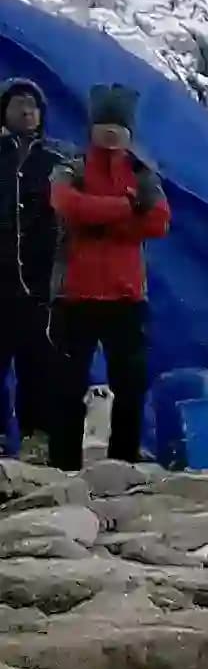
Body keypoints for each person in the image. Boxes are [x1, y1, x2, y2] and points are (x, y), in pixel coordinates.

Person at [47, 83, 172, 470]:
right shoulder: (72, 165)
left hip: (126, 296)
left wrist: (98, 219)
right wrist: (123, 208)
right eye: (105, 123)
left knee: (130, 386)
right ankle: (63, 463)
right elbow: (66, 203)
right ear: (92, 127)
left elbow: (159, 221)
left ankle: (123, 461)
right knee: (68, 385)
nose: (112, 131)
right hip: (76, 295)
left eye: (119, 124)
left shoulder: (142, 172)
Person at [0, 84, 54, 458]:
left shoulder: (54, 161)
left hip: (40, 284)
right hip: (0, 282)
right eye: (19, 104)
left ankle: (38, 441)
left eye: (33, 105)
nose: (27, 111)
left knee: (38, 364)